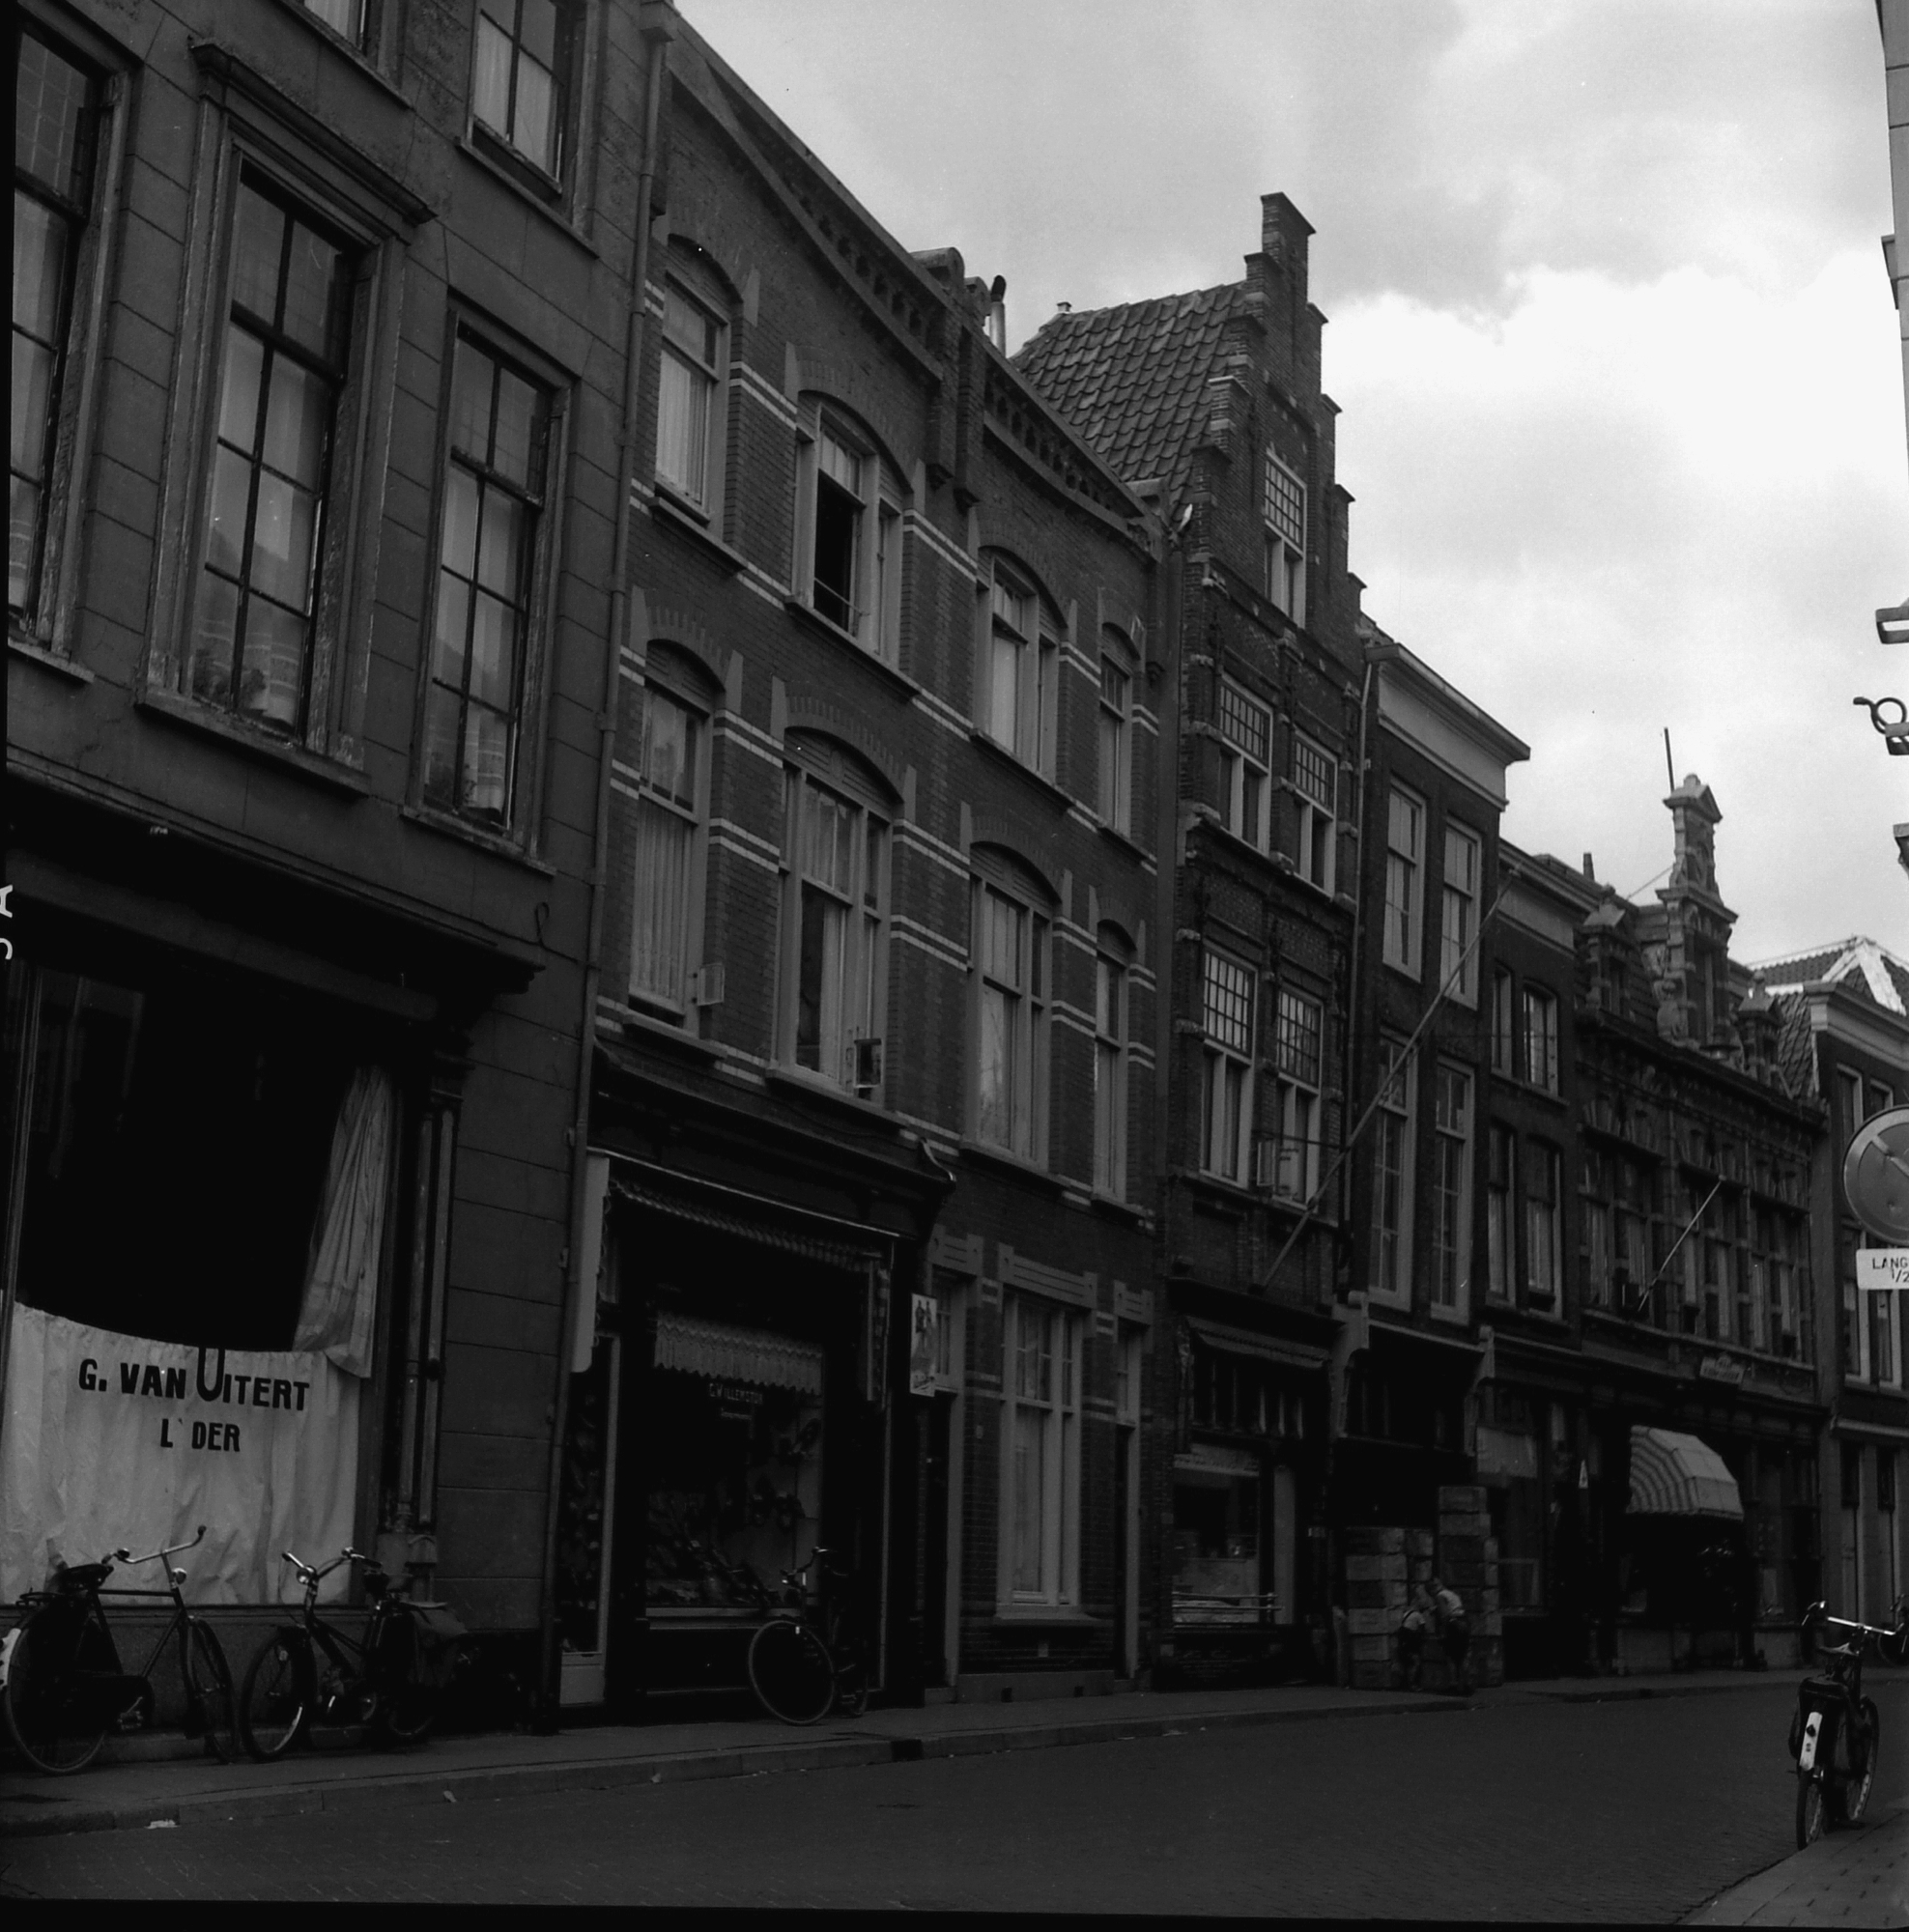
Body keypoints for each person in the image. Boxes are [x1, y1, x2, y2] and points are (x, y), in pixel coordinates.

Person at [1430, 1573, 1471, 1694]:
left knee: (1451, 1657)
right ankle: (1466, 1684)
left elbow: (1445, 1615)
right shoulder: (1452, 1594)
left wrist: (1443, 1632)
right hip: (1464, 1622)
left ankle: (1453, 1685)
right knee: (1463, 1656)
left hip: (1454, 1626)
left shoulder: (1440, 1596)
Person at [1398, 1582, 1434, 1690]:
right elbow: (1423, 1628)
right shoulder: (1418, 1615)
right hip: (1411, 1643)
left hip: (1403, 1642)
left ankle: (1404, 1683)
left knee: (1405, 1664)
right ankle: (1413, 1684)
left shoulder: (1406, 1614)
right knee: (1416, 1662)